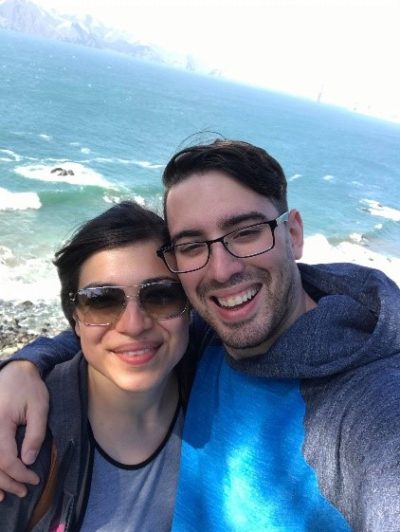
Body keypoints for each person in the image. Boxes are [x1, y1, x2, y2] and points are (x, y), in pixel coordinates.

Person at [1, 139, 400, 530]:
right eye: (192, 246)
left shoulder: (368, 409)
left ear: (293, 234)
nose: (222, 270)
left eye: (246, 232)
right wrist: (23, 365)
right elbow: (123, 331)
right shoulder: (208, 336)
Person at [0, 200, 193, 530]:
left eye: (161, 295)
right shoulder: (20, 444)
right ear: (75, 319)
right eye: (101, 301)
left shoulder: (215, 382)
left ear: (192, 306)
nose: (134, 325)